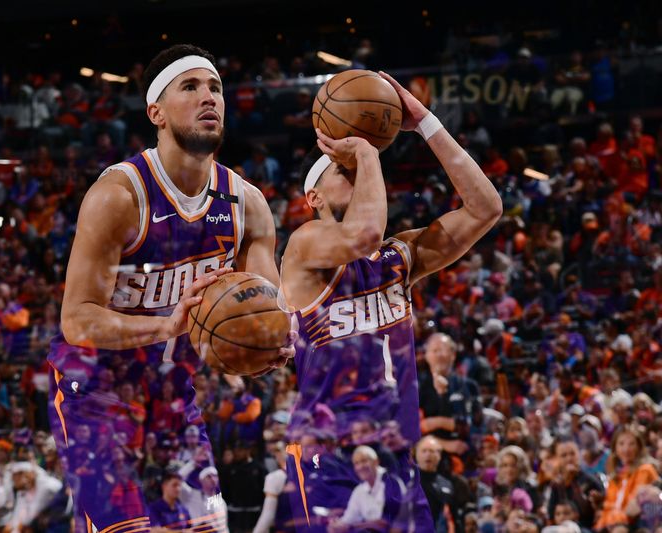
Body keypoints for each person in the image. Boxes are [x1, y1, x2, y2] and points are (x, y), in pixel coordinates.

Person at [47, 44, 294, 532]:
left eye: (216, 87)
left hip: (174, 396)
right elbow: (77, 320)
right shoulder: (119, 196)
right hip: (96, 394)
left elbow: (269, 307)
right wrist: (168, 325)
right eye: (191, 86)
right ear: (155, 111)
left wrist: (272, 341)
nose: (210, 97)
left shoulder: (246, 204)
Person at [279, 71, 502, 532]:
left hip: (397, 463)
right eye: (347, 173)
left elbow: (486, 208)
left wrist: (424, 122)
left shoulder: (399, 258)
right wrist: (364, 150)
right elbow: (363, 234)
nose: (363, 177)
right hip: (329, 464)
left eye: (367, 170)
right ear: (313, 196)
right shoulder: (303, 248)